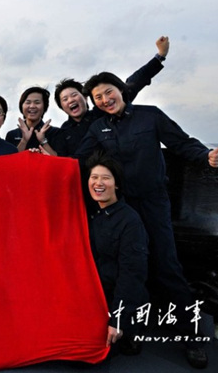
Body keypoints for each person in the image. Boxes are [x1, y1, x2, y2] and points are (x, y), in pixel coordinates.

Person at [76, 72, 218, 369]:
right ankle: (131, 331)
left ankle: (191, 338)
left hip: (154, 203)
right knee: (126, 269)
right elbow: (77, 160)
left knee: (167, 266)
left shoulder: (150, 116)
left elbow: (181, 143)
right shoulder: (98, 127)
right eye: (98, 97)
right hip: (123, 207)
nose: (105, 100)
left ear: (120, 90)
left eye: (108, 92)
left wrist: (205, 155)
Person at [52, 36, 170, 157]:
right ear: (61, 106)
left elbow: (133, 83)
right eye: (65, 99)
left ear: (85, 97)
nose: (71, 100)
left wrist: (160, 56)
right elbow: (63, 160)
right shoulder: (64, 131)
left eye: (74, 95)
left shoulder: (103, 111)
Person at [86, 152, 149, 355]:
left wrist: (117, 320)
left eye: (105, 178)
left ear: (117, 185)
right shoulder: (90, 214)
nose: (98, 183)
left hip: (119, 303)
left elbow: (132, 275)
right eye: (94, 177)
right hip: (95, 296)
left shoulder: (130, 222)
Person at [5, 86, 60, 153]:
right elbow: (10, 159)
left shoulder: (55, 133)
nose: (32, 106)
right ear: (21, 106)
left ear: (45, 106)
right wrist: (24, 141)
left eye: (37, 102)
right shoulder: (12, 135)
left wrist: (43, 141)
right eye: (28, 102)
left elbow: (59, 158)